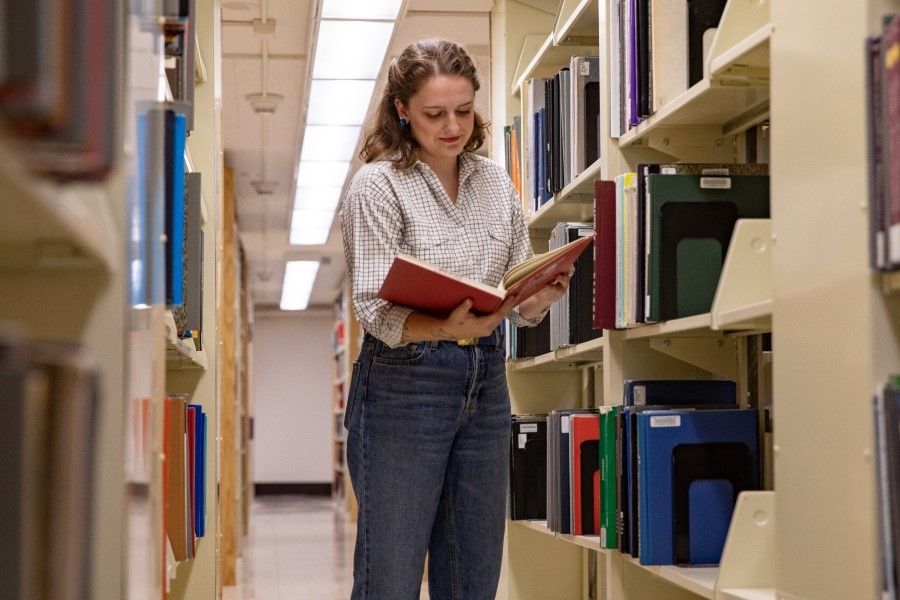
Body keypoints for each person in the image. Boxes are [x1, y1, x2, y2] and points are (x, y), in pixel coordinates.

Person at [339, 38, 572, 600]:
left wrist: (543, 291)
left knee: (473, 572)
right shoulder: (377, 186)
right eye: (434, 114)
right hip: (403, 382)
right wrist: (445, 327)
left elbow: (516, 293)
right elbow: (372, 306)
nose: (452, 126)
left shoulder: (495, 184)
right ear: (402, 111)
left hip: (486, 380)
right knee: (390, 575)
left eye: (464, 111)